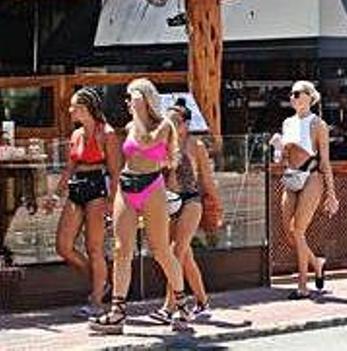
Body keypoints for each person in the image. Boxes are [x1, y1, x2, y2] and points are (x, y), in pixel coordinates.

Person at [90, 78, 189, 334]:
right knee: (122, 249)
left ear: (144, 98)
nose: (127, 102)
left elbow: (146, 142)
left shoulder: (163, 125)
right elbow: (130, 152)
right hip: (127, 184)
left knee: (160, 250)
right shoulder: (130, 124)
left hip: (152, 186)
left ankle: (180, 303)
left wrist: (140, 112)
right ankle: (117, 312)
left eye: (130, 97)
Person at [46, 88, 120, 318]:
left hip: (97, 187)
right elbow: (70, 167)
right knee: (63, 245)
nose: (70, 110)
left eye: (74, 106)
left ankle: (97, 301)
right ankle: (100, 281)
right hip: (77, 187)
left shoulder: (106, 133)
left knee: (94, 247)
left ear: (87, 108)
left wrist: (111, 202)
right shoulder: (77, 134)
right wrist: (56, 195)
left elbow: (116, 172)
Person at [148, 99, 219, 323]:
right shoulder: (162, 145)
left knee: (175, 252)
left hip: (191, 201)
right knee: (185, 257)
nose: (171, 125)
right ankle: (202, 301)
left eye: (176, 121)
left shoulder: (195, 145)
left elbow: (206, 179)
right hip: (168, 203)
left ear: (186, 124)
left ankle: (169, 307)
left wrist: (217, 205)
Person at [278, 81, 339, 300]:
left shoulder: (318, 124)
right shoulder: (287, 122)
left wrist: (331, 193)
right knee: (288, 231)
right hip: (292, 175)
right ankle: (317, 263)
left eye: (297, 94)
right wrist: (279, 149)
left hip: (312, 176)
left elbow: (325, 160)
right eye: (291, 94)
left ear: (309, 97)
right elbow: (283, 157)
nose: (292, 98)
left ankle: (303, 284)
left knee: (298, 229)